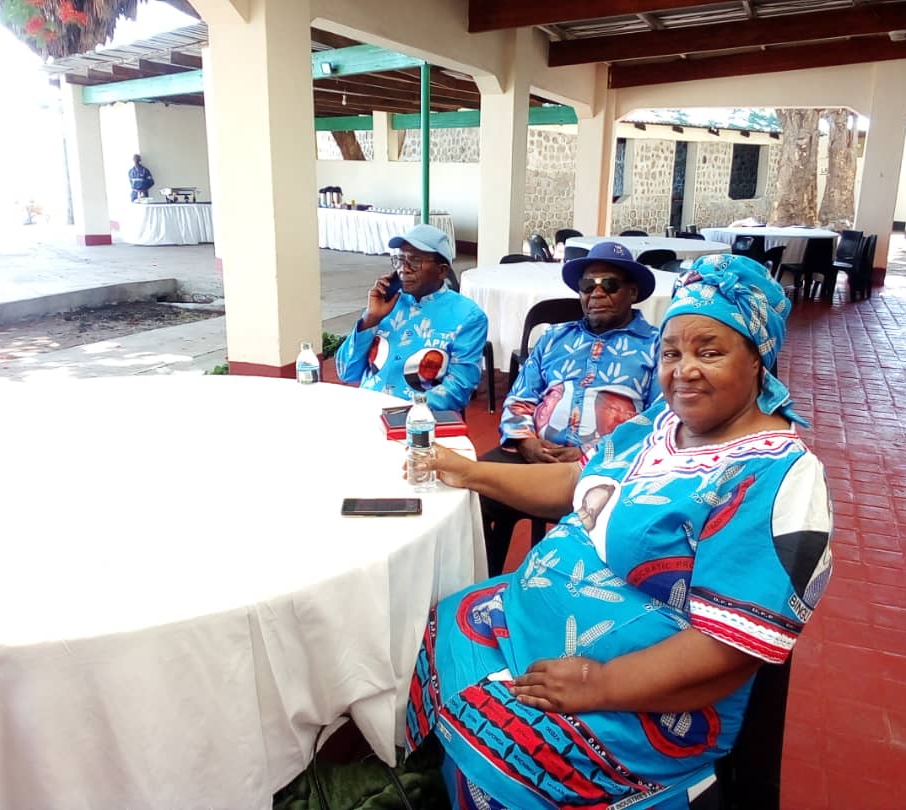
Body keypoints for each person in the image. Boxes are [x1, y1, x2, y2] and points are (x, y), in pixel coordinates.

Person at [405, 254, 834, 810]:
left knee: (499, 735)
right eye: (673, 352)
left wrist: (597, 683)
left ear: (758, 360)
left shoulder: (777, 477)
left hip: (638, 692)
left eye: (710, 351)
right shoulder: (662, 425)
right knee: (440, 620)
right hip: (529, 628)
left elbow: (728, 649)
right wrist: (468, 471)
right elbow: (579, 482)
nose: (684, 370)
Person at [481, 241, 661, 576]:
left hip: (609, 466)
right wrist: (525, 441)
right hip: (533, 454)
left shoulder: (656, 345)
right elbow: (521, 396)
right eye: (587, 286)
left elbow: (658, 421)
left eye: (609, 285)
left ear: (632, 292)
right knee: (475, 490)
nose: (596, 293)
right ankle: (482, 582)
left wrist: (590, 453)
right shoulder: (553, 338)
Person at [335, 224, 488, 411]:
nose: (404, 269)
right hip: (367, 411)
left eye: (415, 261)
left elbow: (458, 389)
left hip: (420, 421)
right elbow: (346, 372)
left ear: (442, 271)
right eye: (400, 259)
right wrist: (371, 319)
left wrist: (403, 411)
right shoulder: (387, 302)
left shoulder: (468, 316)